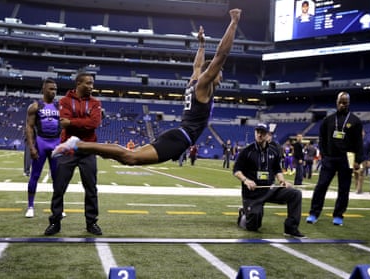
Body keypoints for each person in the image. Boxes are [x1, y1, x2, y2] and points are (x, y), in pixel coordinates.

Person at [51, 9, 242, 167]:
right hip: (180, 138)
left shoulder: (194, 81)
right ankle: (79, 145)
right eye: (220, 71)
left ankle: (90, 148)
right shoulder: (203, 85)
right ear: (213, 73)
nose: (222, 74)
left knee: (127, 158)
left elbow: (197, 67)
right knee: (131, 157)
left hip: (177, 134)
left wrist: (201, 45)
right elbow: (221, 54)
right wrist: (233, 22)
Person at [44, 72, 102, 236]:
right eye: (88, 83)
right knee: (59, 187)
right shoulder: (64, 101)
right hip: (68, 149)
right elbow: (64, 124)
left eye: (92, 83)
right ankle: (55, 221)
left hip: (88, 149)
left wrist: (74, 123)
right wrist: (81, 123)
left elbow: (94, 123)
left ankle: (91, 222)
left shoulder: (96, 103)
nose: (91, 86)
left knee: (91, 188)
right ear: (78, 84)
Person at [233, 123, 305, 238]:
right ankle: (243, 215)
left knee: (295, 194)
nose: (260, 135)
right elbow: (236, 170)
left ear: (268, 135)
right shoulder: (247, 151)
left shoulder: (274, 150)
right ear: (255, 133)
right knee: (253, 226)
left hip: (270, 189)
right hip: (253, 193)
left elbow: (277, 169)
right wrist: (246, 180)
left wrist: (282, 181)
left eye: (263, 132)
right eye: (258, 132)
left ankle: (291, 228)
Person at [306, 92, 363, 226]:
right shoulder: (328, 120)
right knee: (321, 186)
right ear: (336, 102)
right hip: (330, 158)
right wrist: (324, 155)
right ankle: (314, 213)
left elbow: (358, 142)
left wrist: (358, 160)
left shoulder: (355, 121)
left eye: (345, 102)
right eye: (340, 102)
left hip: (348, 158)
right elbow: (322, 139)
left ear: (349, 103)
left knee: (344, 188)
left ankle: (338, 215)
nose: (342, 105)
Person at [24, 78, 61, 218]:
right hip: (41, 142)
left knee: (58, 178)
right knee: (35, 175)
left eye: (55, 89)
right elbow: (29, 127)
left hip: (56, 143)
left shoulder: (60, 106)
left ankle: (57, 208)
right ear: (44, 89)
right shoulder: (35, 106)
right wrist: (32, 146)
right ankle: (30, 206)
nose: (53, 92)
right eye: (51, 89)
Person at [353, 129, 369, 194]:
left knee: (361, 173)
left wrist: (368, 160)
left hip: (363, 160)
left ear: (364, 133)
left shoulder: (367, 142)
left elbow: (369, 152)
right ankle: (357, 188)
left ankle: (359, 189)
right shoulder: (354, 142)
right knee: (356, 174)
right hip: (355, 160)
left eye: (362, 132)